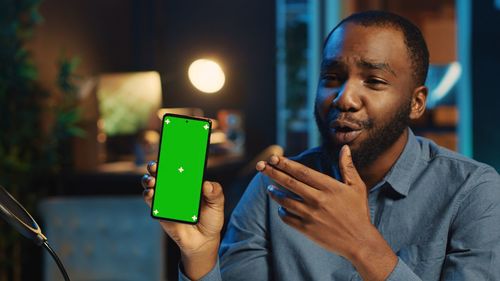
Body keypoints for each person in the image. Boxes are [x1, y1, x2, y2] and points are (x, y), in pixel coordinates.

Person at [142, 10, 500, 281]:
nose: (344, 98)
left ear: (416, 103)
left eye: (374, 81)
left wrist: (362, 244)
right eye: (332, 78)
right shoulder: (271, 188)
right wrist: (201, 255)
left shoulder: (474, 192)